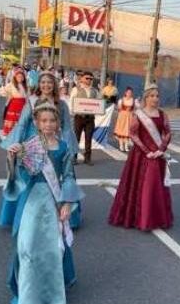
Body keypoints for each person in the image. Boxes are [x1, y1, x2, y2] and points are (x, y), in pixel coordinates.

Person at [4, 101, 84, 304]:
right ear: (37, 123)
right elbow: (21, 175)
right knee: (27, 246)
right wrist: (13, 157)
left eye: (52, 120)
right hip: (32, 201)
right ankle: (29, 297)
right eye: (44, 121)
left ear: (58, 123)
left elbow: (67, 176)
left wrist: (67, 203)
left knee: (51, 249)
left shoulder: (64, 147)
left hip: (52, 201)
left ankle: (52, 295)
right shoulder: (29, 145)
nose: (48, 124)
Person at [0, 72, 80, 229]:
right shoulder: (32, 101)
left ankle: (65, 213)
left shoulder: (61, 104)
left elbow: (67, 128)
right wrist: (16, 143)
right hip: (32, 144)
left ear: (54, 85)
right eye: (43, 82)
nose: (46, 85)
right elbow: (22, 123)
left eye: (49, 82)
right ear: (39, 84)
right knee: (29, 177)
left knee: (60, 176)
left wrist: (69, 148)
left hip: (54, 143)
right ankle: (22, 214)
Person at [108, 83, 173, 231]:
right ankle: (142, 218)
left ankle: (156, 217)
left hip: (158, 155)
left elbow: (168, 133)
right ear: (146, 98)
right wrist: (146, 150)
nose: (155, 98)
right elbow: (133, 134)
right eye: (151, 96)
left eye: (157, 96)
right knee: (144, 185)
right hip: (141, 156)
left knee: (156, 186)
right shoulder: (139, 114)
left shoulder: (163, 114)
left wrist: (161, 149)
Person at [69, 71, 99, 166]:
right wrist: (73, 112)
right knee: (76, 138)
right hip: (79, 117)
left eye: (91, 79)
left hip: (90, 118)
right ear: (82, 79)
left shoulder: (94, 91)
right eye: (87, 78)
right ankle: (74, 157)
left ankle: (87, 158)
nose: (89, 80)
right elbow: (71, 102)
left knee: (88, 138)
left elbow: (98, 103)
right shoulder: (76, 89)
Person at [1, 69, 28, 136]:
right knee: (12, 118)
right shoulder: (11, 85)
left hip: (23, 104)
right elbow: (4, 91)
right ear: (15, 77)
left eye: (22, 77)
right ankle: (9, 132)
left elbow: (28, 95)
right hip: (14, 103)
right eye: (18, 77)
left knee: (21, 119)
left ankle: (18, 133)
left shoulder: (26, 86)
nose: (20, 78)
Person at [113, 87, 135, 152]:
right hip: (122, 116)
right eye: (128, 92)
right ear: (125, 93)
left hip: (129, 117)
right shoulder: (121, 100)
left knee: (128, 131)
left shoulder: (133, 100)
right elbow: (118, 108)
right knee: (121, 131)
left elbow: (134, 109)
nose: (129, 94)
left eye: (130, 93)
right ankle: (121, 145)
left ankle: (126, 146)